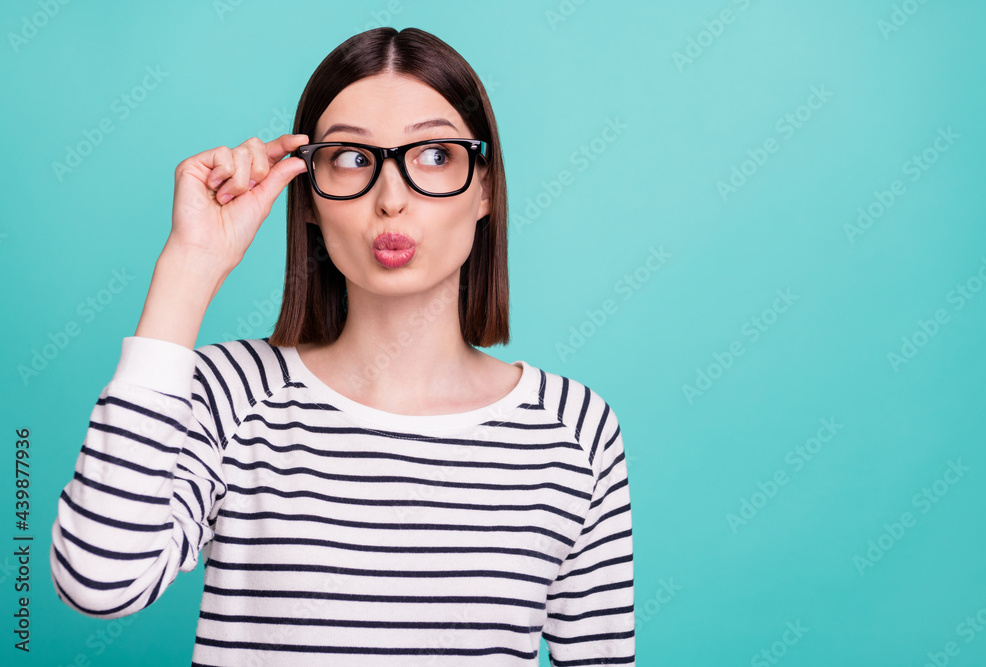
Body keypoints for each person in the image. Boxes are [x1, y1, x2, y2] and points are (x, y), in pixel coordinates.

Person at [50, 26, 634, 666]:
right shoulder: (231, 393)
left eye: (435, 155)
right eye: (352, 158)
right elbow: (97, 583)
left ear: (485, 188)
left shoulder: (576, 430)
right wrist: (190, 265)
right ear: (305, 195)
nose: (392, 199)